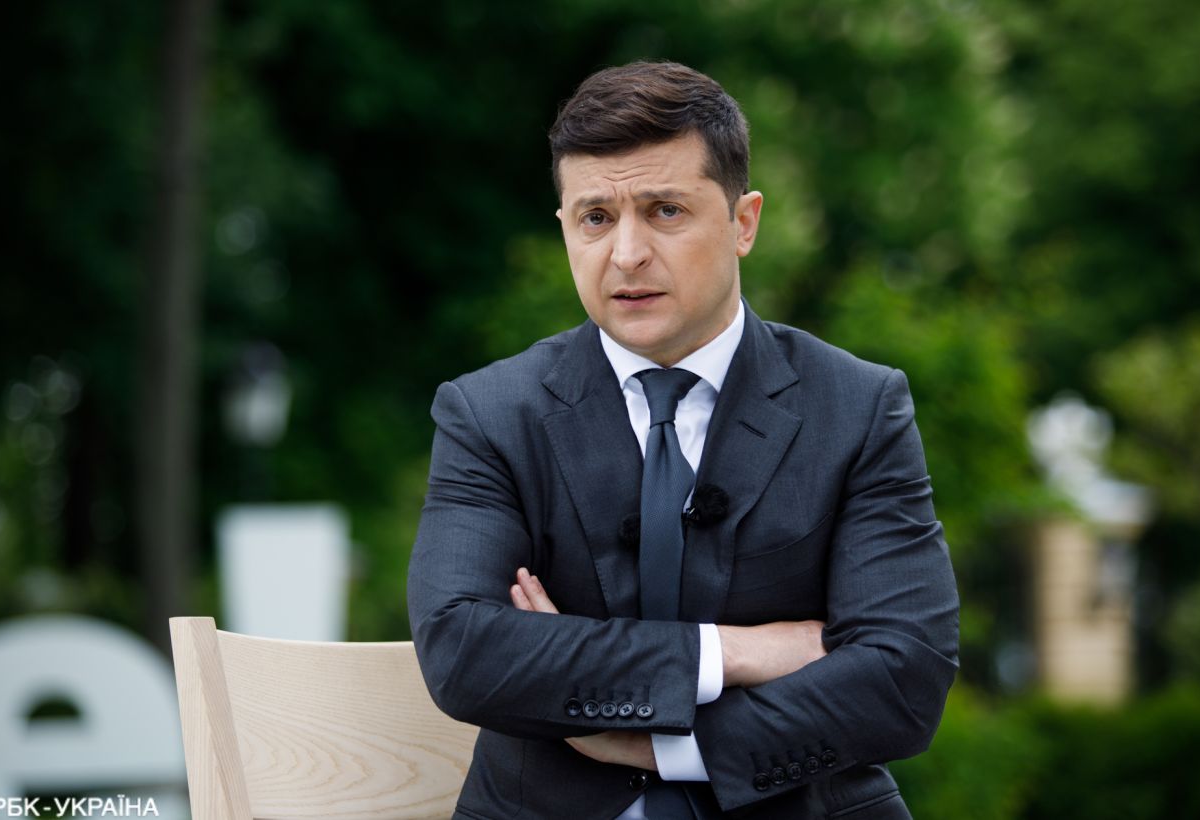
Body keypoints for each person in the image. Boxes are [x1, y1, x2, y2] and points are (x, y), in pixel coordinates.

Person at [407, 60, 959, 820]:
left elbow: (904, 677)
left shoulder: (859, 407)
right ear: (564, 227)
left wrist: (657, 744)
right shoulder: (489, 413)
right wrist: (732, 653)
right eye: (596, 218)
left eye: (664, 211)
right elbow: (464, 651)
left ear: (743, 223)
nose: (626, 254)